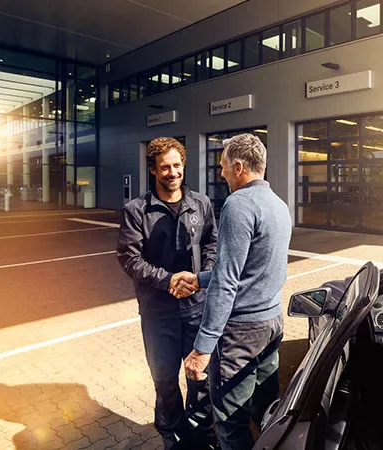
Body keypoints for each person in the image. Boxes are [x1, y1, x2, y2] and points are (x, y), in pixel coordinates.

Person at [174, 133, 292, 450]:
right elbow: (253, 269)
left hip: (241, 334)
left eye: (223, 166)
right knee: (266, 412)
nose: (221, 173)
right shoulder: (279, 205)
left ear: (238, 166)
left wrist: (202, 347)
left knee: (230, 424)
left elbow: (228, 280)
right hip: (271, 325)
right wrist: (198, 278)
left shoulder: (238, 204)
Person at [116, 137, 218, 450]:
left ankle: (201, 435)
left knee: (199, 376)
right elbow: (129, 258)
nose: (171, 172)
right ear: (153, 170)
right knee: (164, 380)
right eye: (164, 167)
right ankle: (172, 435)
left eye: (176, 165)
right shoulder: (136, 211)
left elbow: (213, 243)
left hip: (196, 308)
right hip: (158, 311)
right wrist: (169, 279)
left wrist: (200, 278)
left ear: (183, 166)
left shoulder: (201, 204)